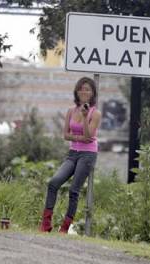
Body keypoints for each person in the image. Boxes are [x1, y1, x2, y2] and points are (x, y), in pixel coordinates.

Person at [39, 77, 101, 233]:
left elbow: (89, 135)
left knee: (74, 190)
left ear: (93, 93)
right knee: (54, 183)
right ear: (77, 91)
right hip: (73, 153)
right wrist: (81, 138)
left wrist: (86, 117)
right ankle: (45, 224)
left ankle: (65, 227)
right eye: (81, 88)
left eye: (87, 89)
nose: (84, 91)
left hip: (88, 154)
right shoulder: (71, 110)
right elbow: (66, 135)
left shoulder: (95, 113)